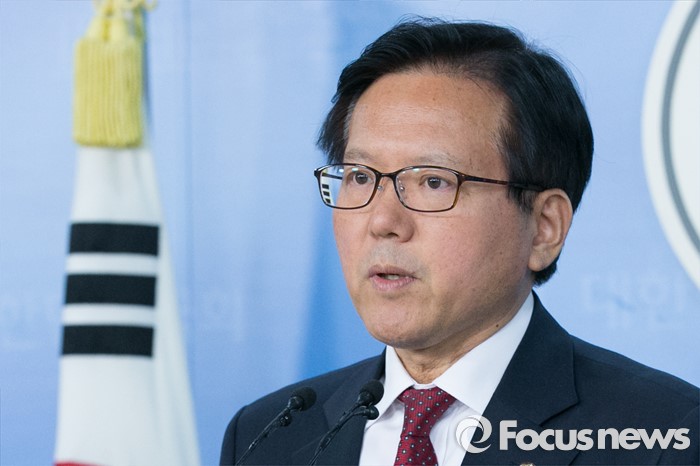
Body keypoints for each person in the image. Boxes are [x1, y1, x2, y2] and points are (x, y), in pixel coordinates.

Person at [220, 18, 699, 465]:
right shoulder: (268, 434)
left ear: (544, 227)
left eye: (433, 182)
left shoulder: (664, 436)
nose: (382, 221)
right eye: (361, 177)